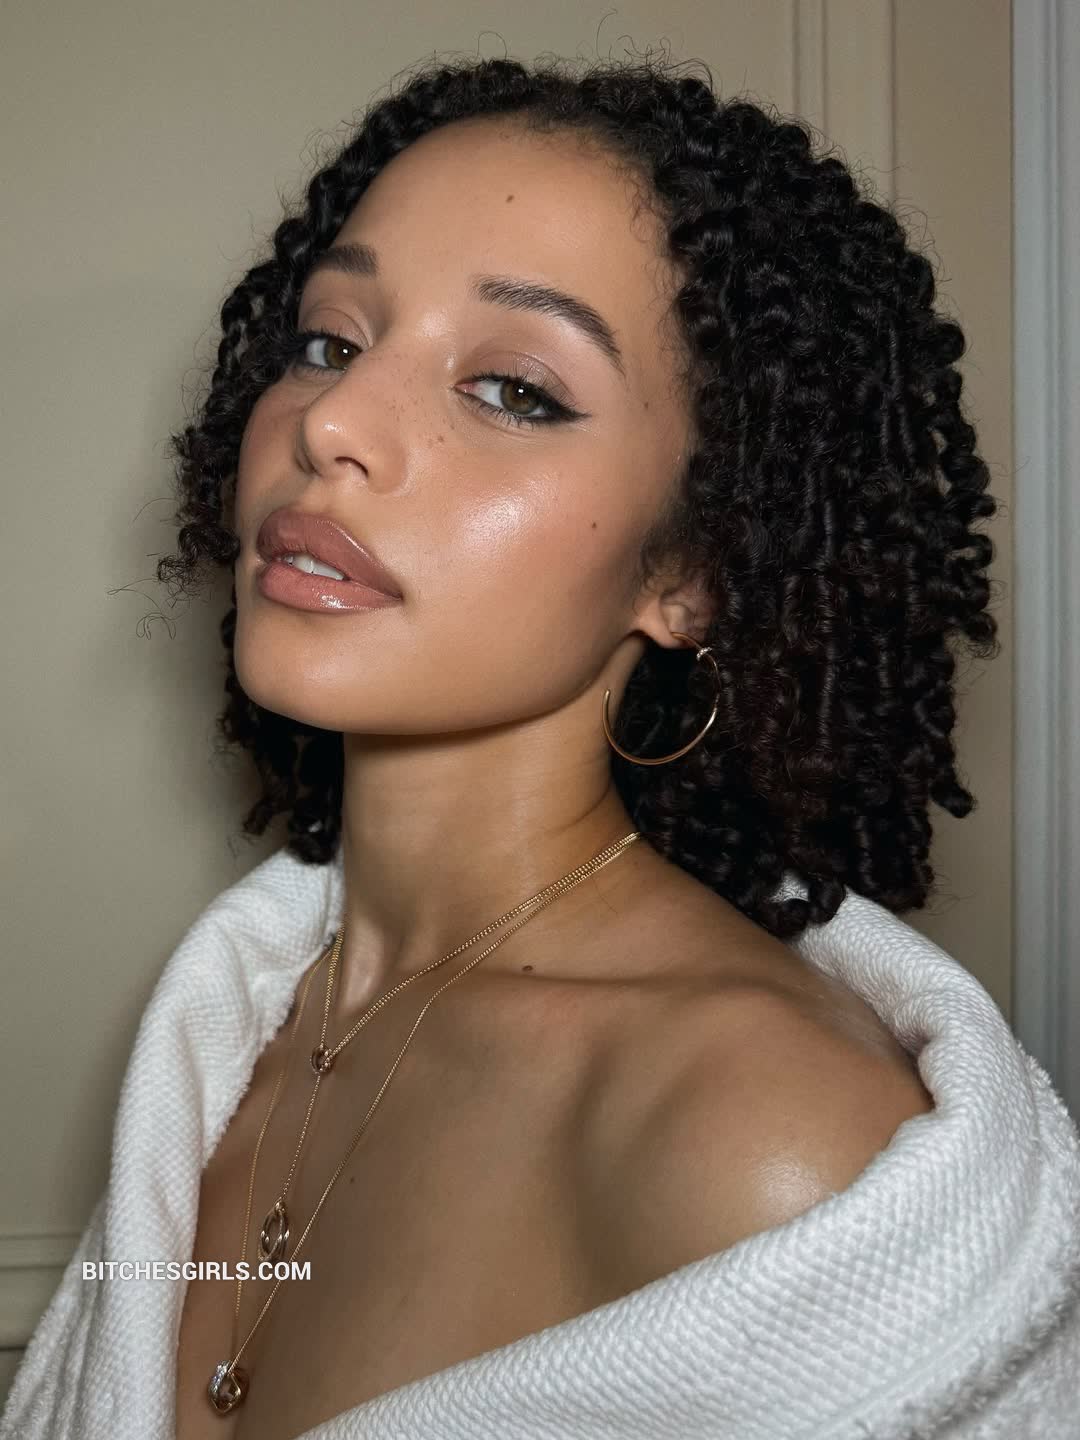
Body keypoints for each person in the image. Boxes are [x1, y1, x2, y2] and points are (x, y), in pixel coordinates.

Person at [6, 50, 1080, 1440]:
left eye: (513, 389)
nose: (330, 422)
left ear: (691, 571)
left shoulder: (766, 1144)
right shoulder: (249, 1031)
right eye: (329, 341)